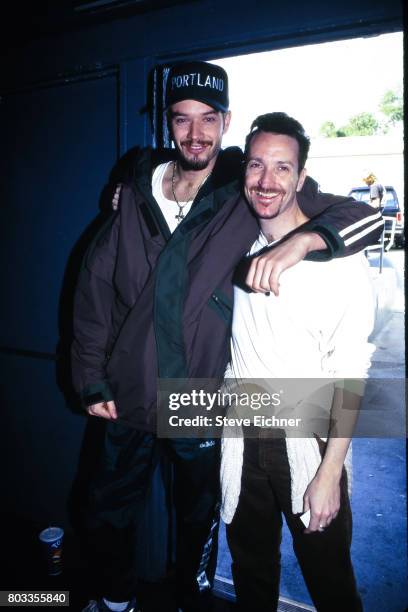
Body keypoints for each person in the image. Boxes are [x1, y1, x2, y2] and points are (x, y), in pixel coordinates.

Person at [71, 61, 382, 612]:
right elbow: (95, 290)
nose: (196, 133)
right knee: (109, 512)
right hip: (135, 389)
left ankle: (191, 602)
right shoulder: (139, 190)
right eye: (182, 119)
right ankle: (116, 601)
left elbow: (364, 217)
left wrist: (301, 244)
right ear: (167, 124)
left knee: (201, 521)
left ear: (225, 122)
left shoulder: (242, 188)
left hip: (202, 394)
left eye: (208, 119)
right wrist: (90, 377)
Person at [220, 113, 375, 612]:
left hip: (308, 442)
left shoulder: (339, 262)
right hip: (242, 439)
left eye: (282, 168)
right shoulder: (238, 242)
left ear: (302, 179)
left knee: (329, 579)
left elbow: (351, 372)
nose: (267, 181)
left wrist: (330, 474)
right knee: (250, 572)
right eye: (257, 165)